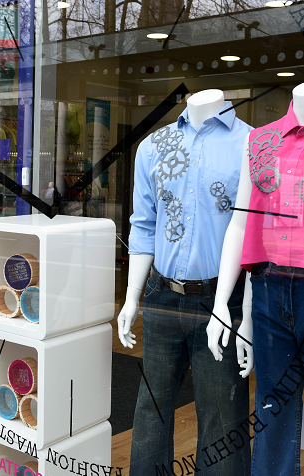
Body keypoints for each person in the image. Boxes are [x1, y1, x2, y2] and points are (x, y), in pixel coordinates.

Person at [118, 89, 252, 475]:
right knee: (150, 409)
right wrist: (131, 298)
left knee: (222, 416)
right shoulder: (153, 146)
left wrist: (246, 314)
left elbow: (253, 233)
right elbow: (143, 226)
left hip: (222, 299)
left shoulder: (250, 143)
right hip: (162, 293)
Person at [209, 84, 304, 475]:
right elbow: (243, 223)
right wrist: (224, 304)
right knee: (273, 411)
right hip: (269, 289)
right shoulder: (260, 141)